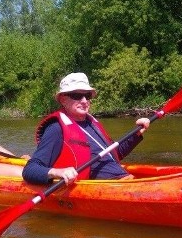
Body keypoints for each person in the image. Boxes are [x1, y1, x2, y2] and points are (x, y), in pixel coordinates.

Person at [22, 72, 150, 185]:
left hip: (125, 181)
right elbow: (30, 169)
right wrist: (58, 172)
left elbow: (114, 153)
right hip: (104, 189)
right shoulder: (56, 129)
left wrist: (136, 133)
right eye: (77, 95)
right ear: (63, 99)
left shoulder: (91, 124)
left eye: (87, 95)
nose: (84, 101)